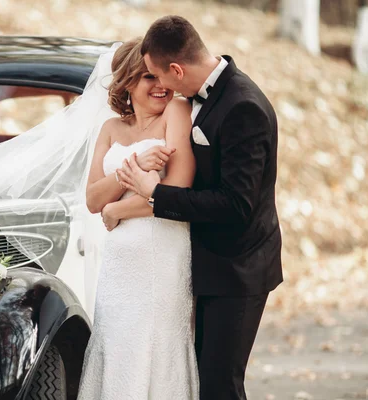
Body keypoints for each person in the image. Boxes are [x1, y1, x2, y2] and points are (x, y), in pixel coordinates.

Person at [117, 15, 283, 400]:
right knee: (206, 382)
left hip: (239, 268)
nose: (161, 87)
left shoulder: (243, 106)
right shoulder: (206, 97)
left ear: (177, 68)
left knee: (221, 386)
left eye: (161, 77)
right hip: (209, 265)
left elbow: (236, 204)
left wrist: (154, 193)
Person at [77, 37, 199, 400]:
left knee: (158, 345)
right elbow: (92, 199)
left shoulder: (177, 112)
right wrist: (134, 169)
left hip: (162, 254)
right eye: (148, 77)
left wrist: (118, 209)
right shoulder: (111, 129)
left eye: (162, 76)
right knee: (116, 343)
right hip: (120, 264)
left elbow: (178, 191)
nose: (161, 86)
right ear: (127, 81)